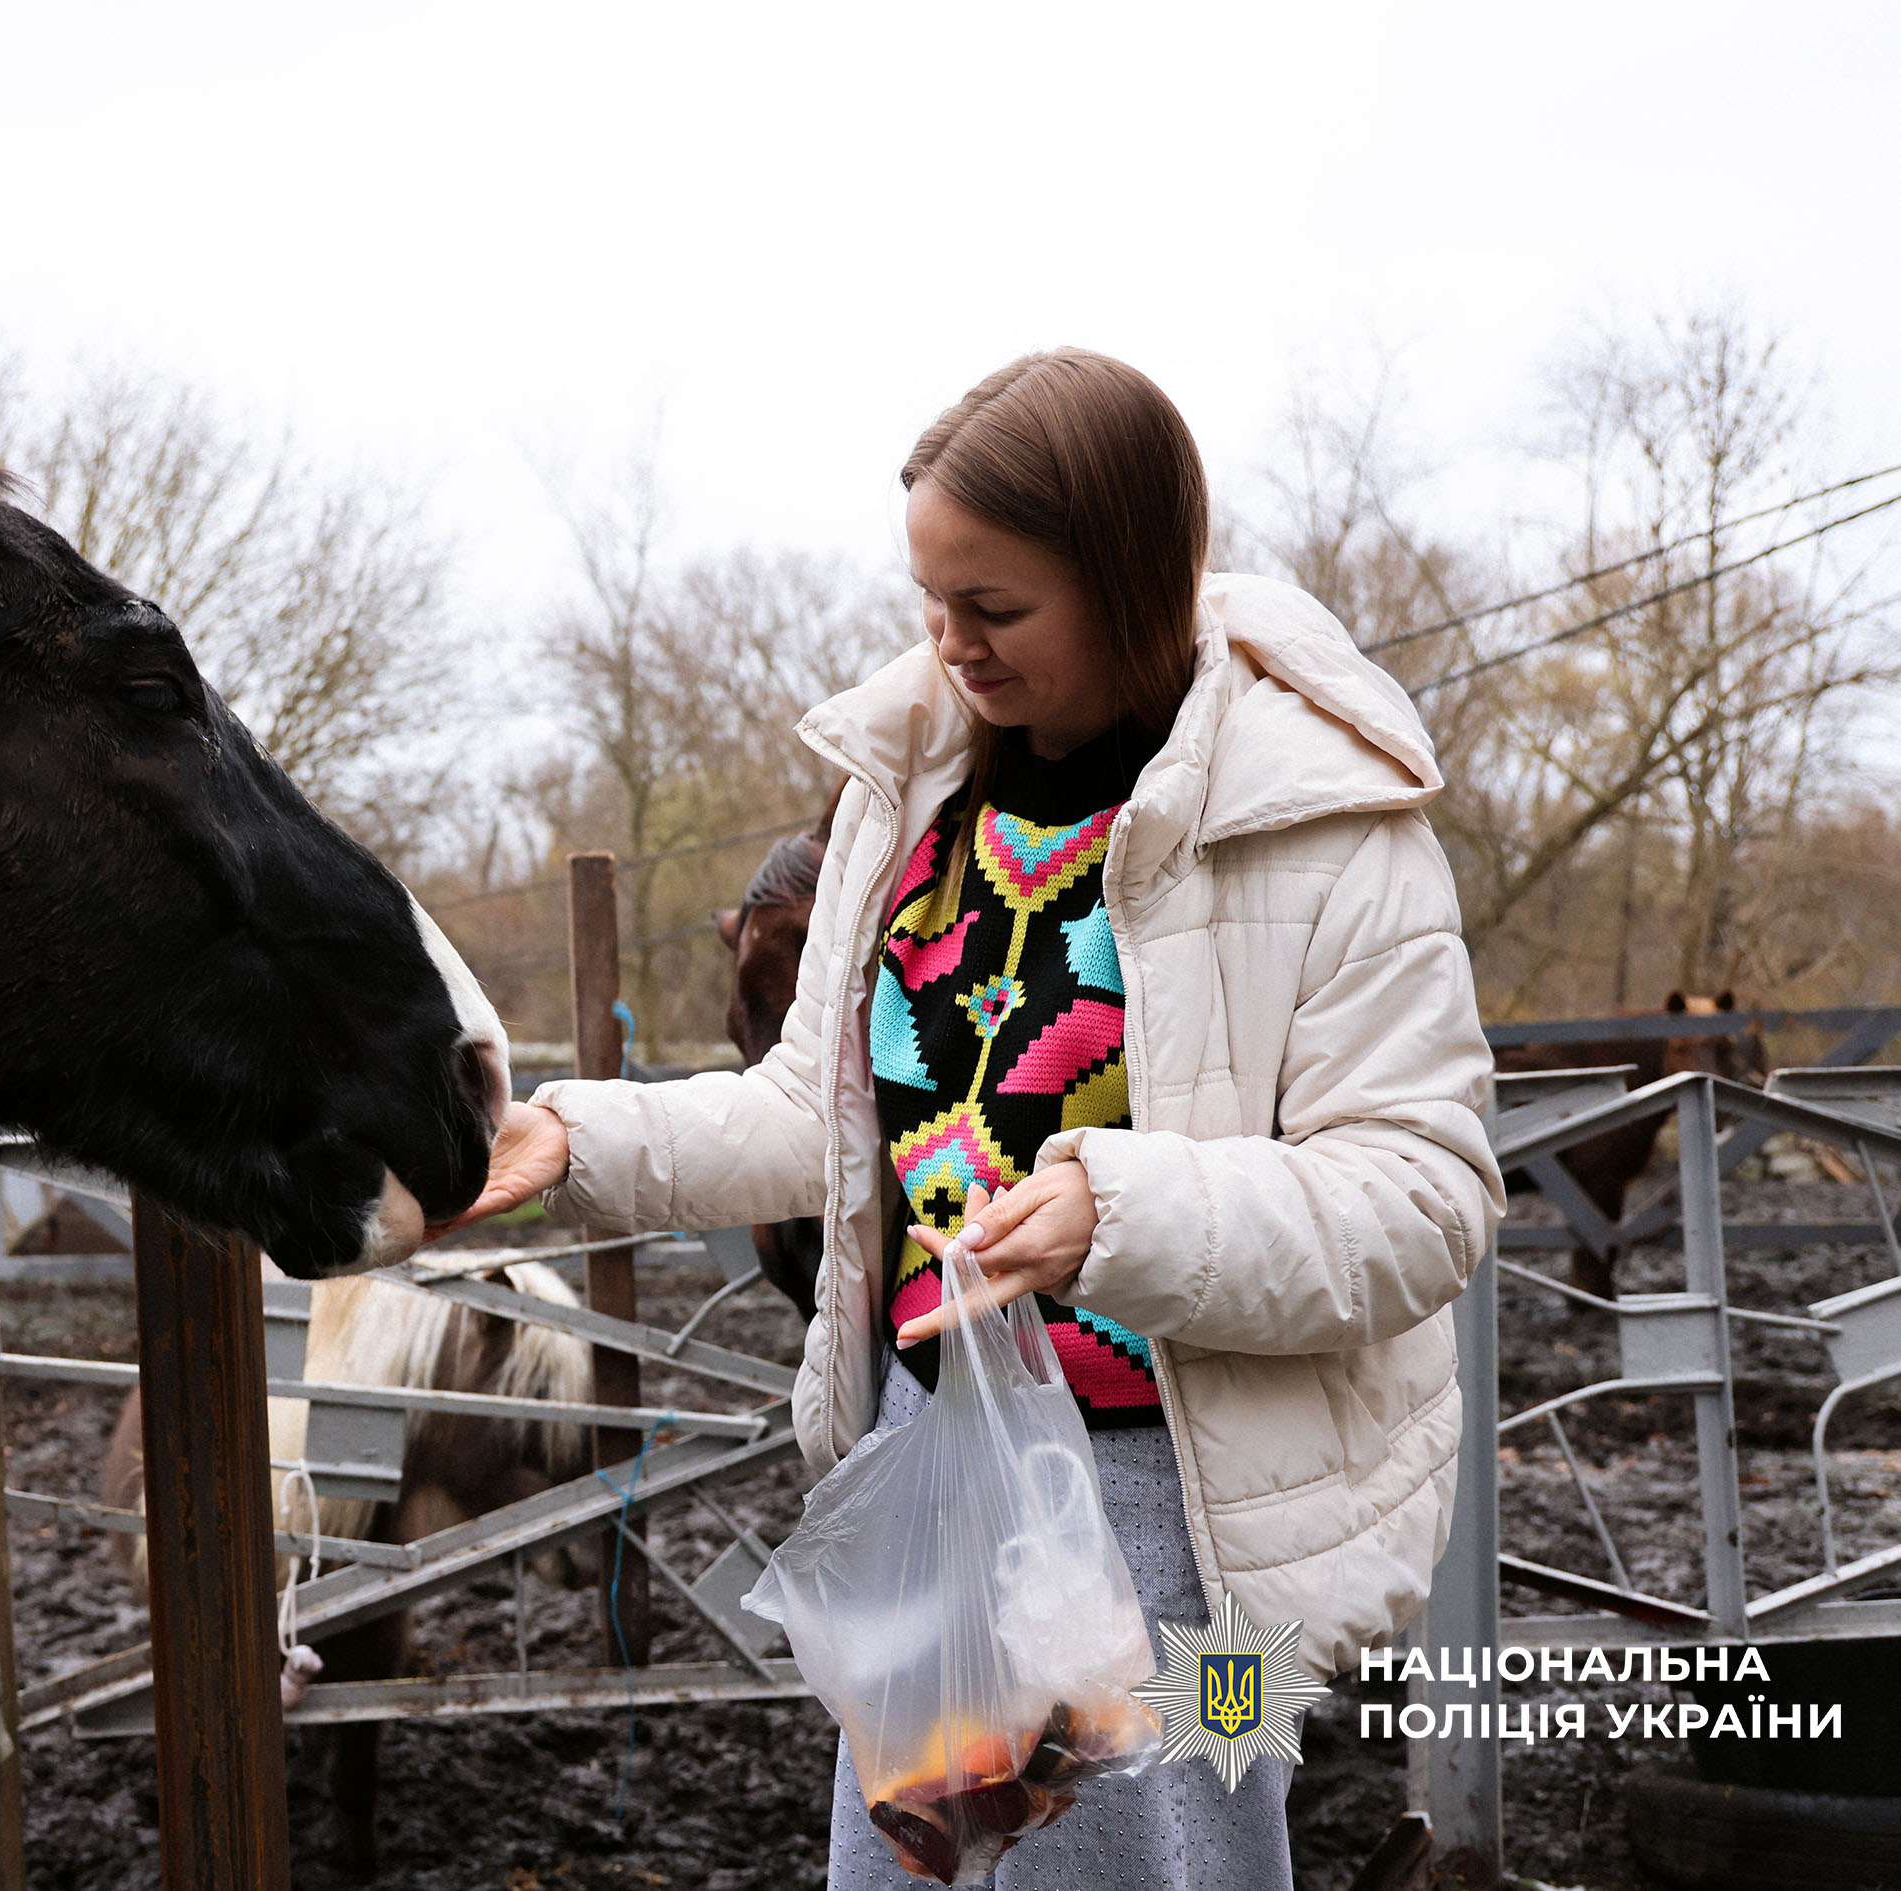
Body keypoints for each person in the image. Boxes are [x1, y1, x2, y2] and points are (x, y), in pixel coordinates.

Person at [444, 349, 1503, 1889]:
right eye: (931, 602)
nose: (948, 646)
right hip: (940, 1466)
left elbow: (1424, 1199)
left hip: (1200, 1523)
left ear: (1132, 581)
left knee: (1177, 1863)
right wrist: (578, 1144)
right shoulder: (911, 799)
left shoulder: (1325, 827)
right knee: (916, 1864)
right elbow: (817, 1110)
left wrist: (1117, 1218)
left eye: (993, 610)